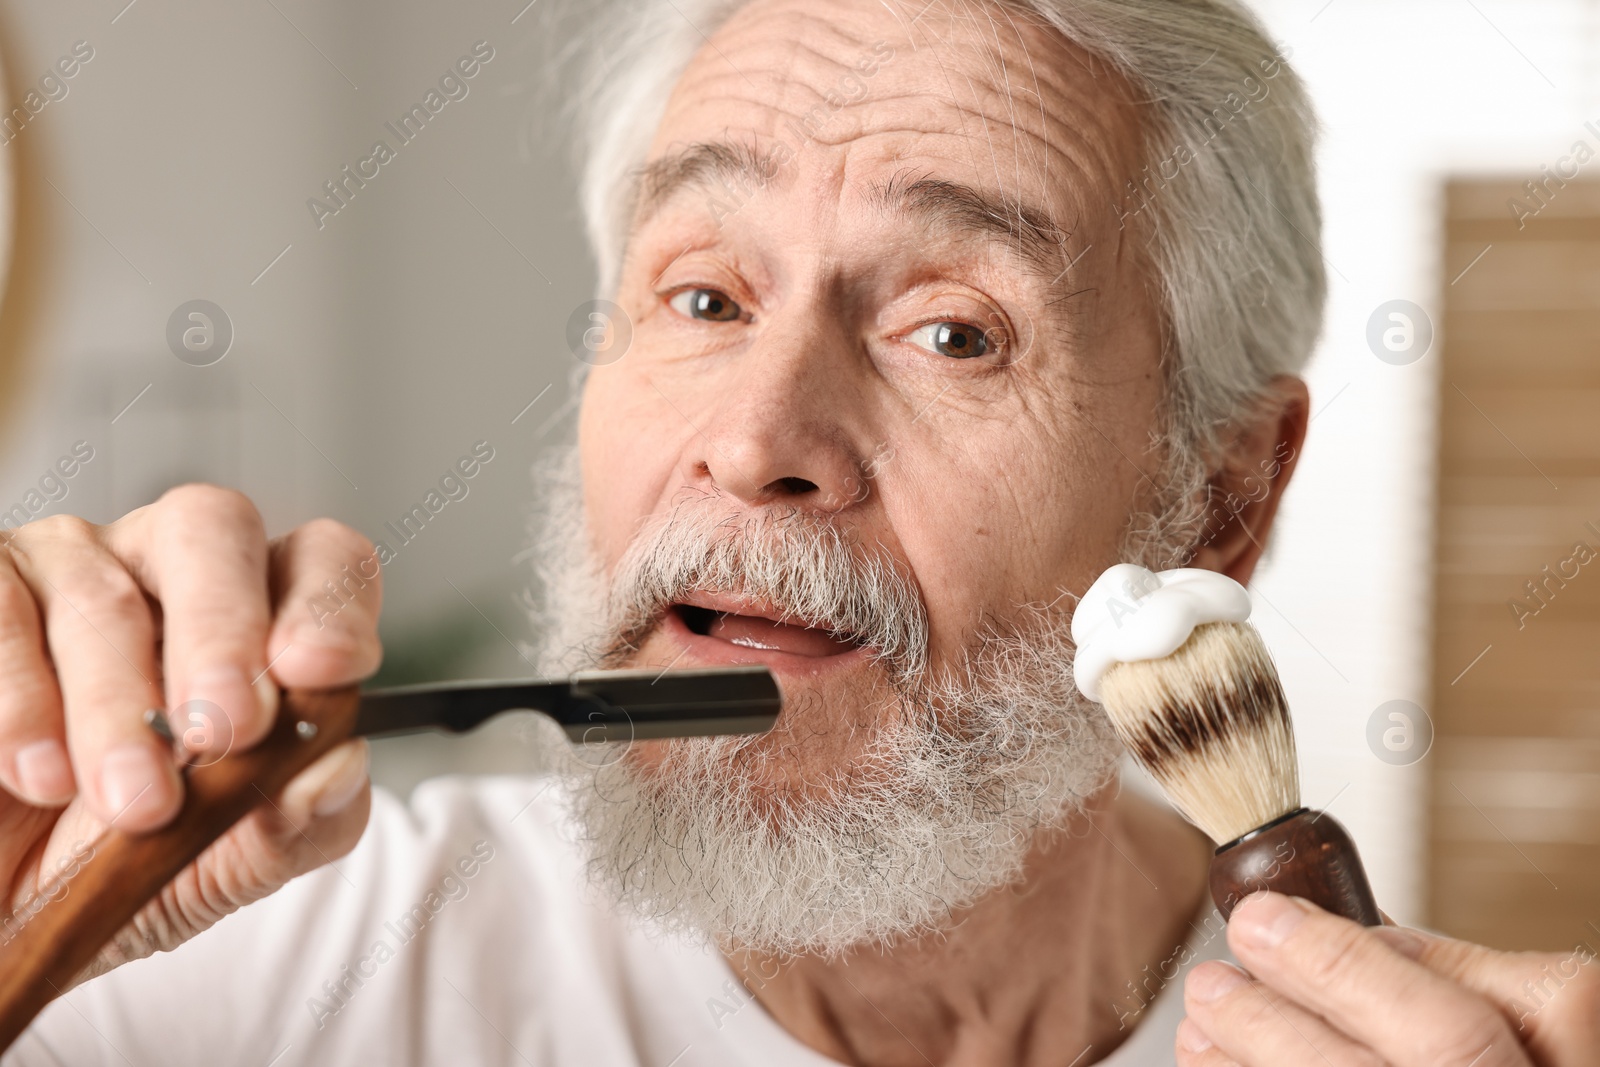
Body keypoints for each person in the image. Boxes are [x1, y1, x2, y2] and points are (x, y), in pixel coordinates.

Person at [2, 0, 1596, 1063]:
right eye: (703, 296)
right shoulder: (231, 965)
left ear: (1222, 497)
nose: (757, 443)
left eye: (954, 332)